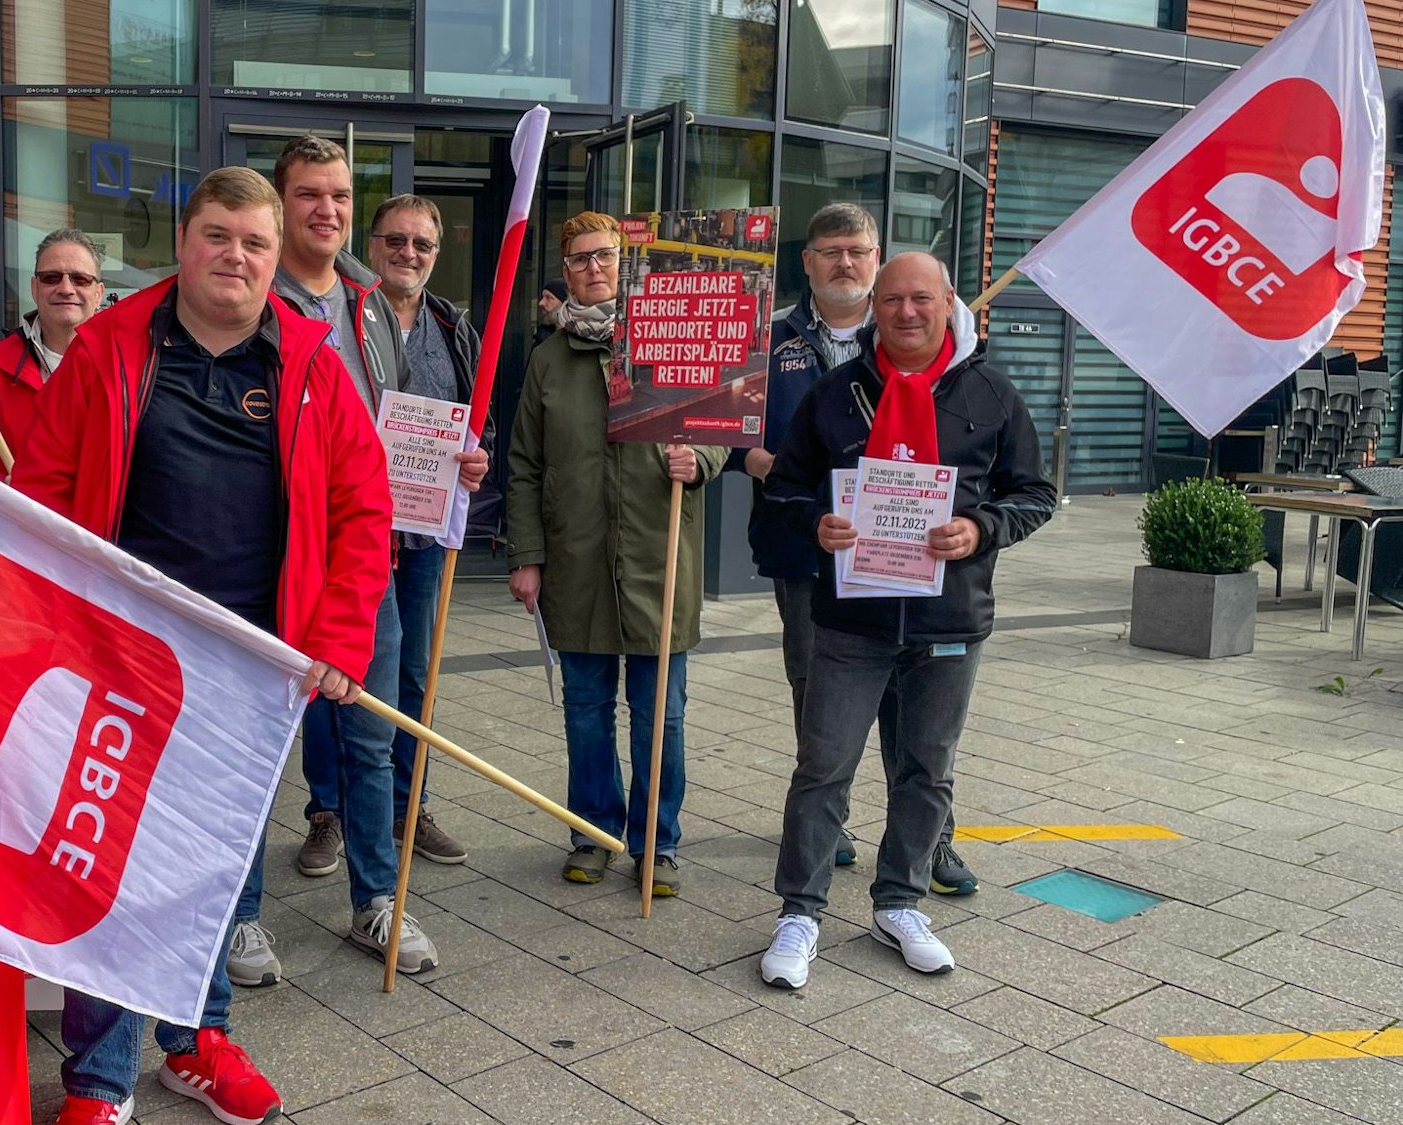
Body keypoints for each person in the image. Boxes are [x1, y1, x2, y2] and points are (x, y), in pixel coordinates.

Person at [11, 166, 393, 1125]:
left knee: (220, 862)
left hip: (250, 666)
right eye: (219, 235)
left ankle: (194, 1039)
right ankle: (99, 1078)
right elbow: (46, 491)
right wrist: (57, 624)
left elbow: (362, 510)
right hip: (121, 658)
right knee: (106, 862)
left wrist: (339, 637)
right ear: (185, 242)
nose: (236, 255)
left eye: (254, 243)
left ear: (277, 258)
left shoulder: (312, 363)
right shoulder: (109, 346)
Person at [758, 252, 1055, 991]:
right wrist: (817, 523)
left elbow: (1036, 493)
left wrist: (982, 528)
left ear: (947, 300)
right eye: (891, 300)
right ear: (875, 307)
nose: (906, 312)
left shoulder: (991, 393)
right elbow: (786, 489)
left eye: (921, 298)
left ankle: (901, 901)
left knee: (927, 769)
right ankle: (800, 911)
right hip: (851, 619)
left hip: (950, 616)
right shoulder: (834, 394)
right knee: (823, 767)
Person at [749, 205, 980, 895]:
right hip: (808, 552)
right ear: (808, 262)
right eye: (830, 251)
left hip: (914, 559)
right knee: (820, 691)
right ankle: (830, 823)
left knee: (918, 705)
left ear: (876, 259)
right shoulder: (771, 341)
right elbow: (725, 428)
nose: (844, 262)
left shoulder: (929, 339)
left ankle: (932, 841)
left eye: (856, 250)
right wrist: (756, 460)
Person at [504, 211, 729, 897]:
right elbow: (523, 464)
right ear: (565, 271)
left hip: (660, 561)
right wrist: (527, 555)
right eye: (577, 259)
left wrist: (706, 458)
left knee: (660, 713)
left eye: (604, 255)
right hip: (577, 563)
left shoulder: (671, 340)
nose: (592, 267)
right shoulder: (548, 359)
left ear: (626, 264)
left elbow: (722, 424)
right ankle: (594, 833)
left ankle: (656, 843)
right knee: (585, 708)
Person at [266, 135, 441, 979]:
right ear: (280, 201)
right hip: (269, 548)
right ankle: (238, 914)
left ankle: (378, 900)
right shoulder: (255, 296)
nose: (326, 209)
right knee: (259, 735)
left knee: (370, 735)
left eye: (338, 194)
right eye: (308, 194)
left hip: (361, 548)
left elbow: (393, 424)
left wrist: (447, 468)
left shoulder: (374, 305)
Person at [368, 193, 491, 866]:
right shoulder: (348, 316)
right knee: (346, 668)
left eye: (421, 243)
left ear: (436, 254)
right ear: (374, 242)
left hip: (423, 532)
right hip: (356, 527)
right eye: (395, 239)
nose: (407, 252)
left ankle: (408, 806)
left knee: (417, 671)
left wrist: (479, 456)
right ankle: (330, 810)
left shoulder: (454, 325)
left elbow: (478, 416)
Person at [0, 228, 105, 475]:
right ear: (34, 288)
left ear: (98, 293)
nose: (66, 288)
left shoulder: (129, 370)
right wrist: (2, 490)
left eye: (80, 279)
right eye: (51, 278)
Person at [534, 279, 566, 346]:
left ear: (564, 305)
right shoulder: (541, 339)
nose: (541, 303)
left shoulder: (581, 341)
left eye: (548, 298)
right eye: (543, 297)